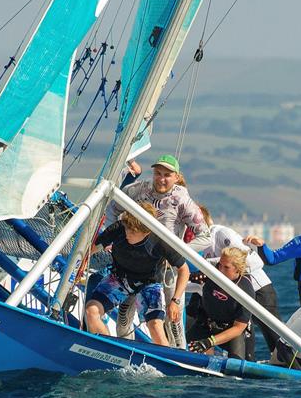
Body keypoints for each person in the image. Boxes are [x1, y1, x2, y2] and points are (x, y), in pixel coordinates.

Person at [105, 153, 210, 348]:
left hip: (164, 267)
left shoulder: (182, 201)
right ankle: (122, 350)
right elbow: (112, 209)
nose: (161, 179)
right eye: (158, 173)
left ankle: (178, 356)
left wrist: (178, 252)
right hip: (133, 261)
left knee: (173, 315)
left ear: (176, 177)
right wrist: (110, 240)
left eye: (167, 175)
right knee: (125, 309)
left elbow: (206, 236)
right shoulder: (138, 189)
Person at [86, 203, 190, 346]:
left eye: (132, 232)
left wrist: (175, 301)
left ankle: (166, 362)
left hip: (148, 284)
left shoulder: (160, 240)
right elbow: (91, 249)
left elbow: (184, 270)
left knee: (155, 326)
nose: (127, 233)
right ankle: (108, 351)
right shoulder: (120, 228)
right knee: (91, 310)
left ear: (146, 232)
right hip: (119, 278)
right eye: (127, 228)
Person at [198, 204, 281, 356]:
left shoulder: (221, 234)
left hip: (259, 290)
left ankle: (292, 368)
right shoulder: (203, 245)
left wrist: (209, 265)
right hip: (236, 295)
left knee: (274, 338)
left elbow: (256, 262)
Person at [186, 247, 253, 359]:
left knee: (236, 368)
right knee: (186, 353)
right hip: (206, 324)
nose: (220, 270)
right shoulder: (212, 271)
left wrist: (209, 342)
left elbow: (239, 328)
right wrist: (193, 276)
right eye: (220, 265)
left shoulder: (245, 289)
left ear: (238, 270)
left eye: (226, 267)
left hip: (232, 331)